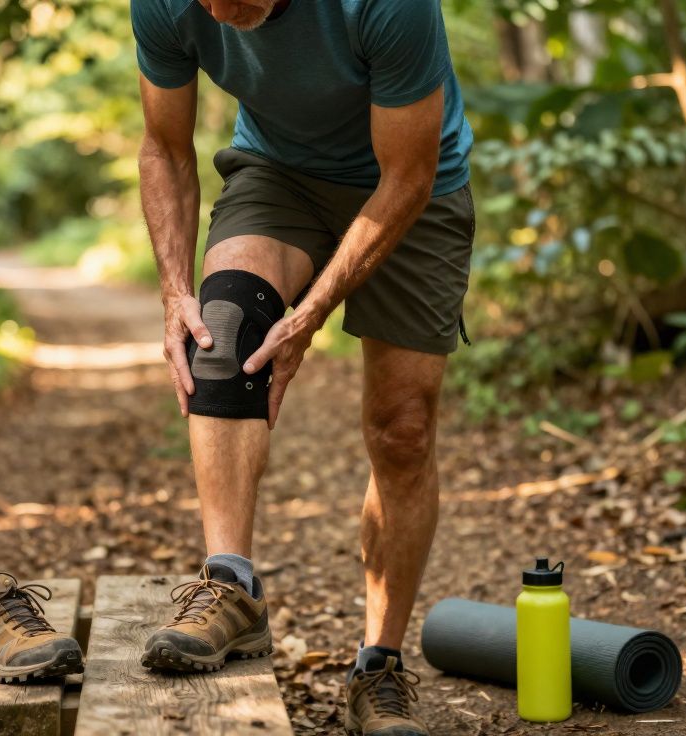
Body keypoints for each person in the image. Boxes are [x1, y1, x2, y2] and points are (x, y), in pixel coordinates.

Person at [130, 0, 475, 733]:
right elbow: (164, 146)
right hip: (279, 171)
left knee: (402, 430)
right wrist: (173, 292)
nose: (220, 10)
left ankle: (378, 667)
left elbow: (407, 174)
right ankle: (231, 587)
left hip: (414, 188)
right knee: (221, 333)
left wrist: (313, 313)